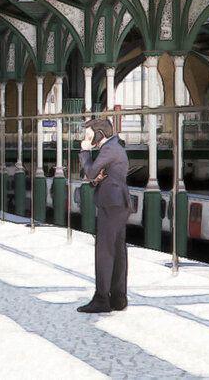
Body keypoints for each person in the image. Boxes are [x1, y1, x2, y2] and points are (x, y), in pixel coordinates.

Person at [78, 116, 130, 314]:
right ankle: (118, 298)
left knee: (104, 251)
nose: (86, 137)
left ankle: (101, 299)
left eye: (89, 134)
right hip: (119, 204)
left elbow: (90, 174)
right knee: (118, 251)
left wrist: (84, 151)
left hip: (111, 203)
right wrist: (96, 175)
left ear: (99, 134)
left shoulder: (108, 149)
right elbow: (97, 175)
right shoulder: (115, 147)